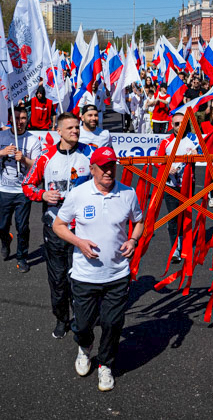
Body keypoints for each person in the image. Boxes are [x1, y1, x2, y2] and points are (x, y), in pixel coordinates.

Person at [53, 146, 144, 392]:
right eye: (102, 166)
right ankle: (85, 347)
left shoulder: (128, 193)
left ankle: (105, 365)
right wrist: (79, 242)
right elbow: (59, 225)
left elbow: (139, 221)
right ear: (92, 169)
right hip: (84, 275)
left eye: (111, 165)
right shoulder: (78, 194)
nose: (108, 170)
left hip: (117, 274)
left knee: (112, 324)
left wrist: (133, 240)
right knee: (83, 325)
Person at [22, 112, 94, 339]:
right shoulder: (45, 157)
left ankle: (85, 317)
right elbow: (27, 185)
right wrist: (43, 194)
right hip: (56, 229)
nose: (75, 131)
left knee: (84, 277)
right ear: (59, 131)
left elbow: (105, 179)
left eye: (77, 127)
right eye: (70, 128)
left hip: (84, 227)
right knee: (59, 279)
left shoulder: (89, 153)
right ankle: (62, 318)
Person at [0, 107, 43, 270]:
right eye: (16, 118)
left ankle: (22, 257)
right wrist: (1, 153)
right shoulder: (0, 136)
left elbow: (39, 166)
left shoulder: (33, 140)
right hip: (4, 191)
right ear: (10, 119)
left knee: (22, 227)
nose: (20, 121)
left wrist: (24, 159)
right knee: (0, 226)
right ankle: (5, 240)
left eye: (23, 118)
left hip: (23, 191)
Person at [158, 112, 200, 260]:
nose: (180, 126)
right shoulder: (166, 142)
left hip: (188, 185)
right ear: (172, 125)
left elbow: (204, 151)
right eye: (176, 124)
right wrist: (167, 168)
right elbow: (158, 160)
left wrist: (197, 152)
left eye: (183, 123)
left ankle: (185, 244)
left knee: (186, 215)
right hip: (171, 186)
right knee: (173, 218)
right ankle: (176, 247)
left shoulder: (193, 139)